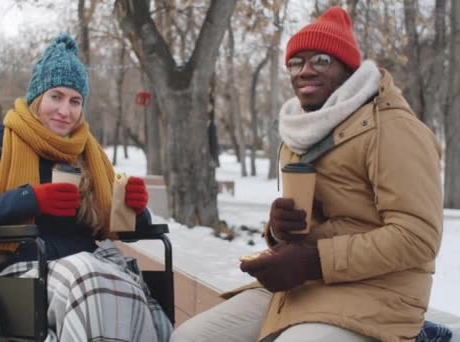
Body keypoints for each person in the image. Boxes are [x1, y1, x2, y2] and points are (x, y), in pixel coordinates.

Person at [170, 6, 443, 342]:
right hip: (306, 287)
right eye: (296, 63)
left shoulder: (393, 129)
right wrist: (279, 228)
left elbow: (418, 237)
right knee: (190, 337)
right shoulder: (300, 131)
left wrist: (315, 261)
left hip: (379, 293)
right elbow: (313, 225)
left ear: (348, 68)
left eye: (321, 60)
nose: (305, 71)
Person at [0, 33, 172, 342]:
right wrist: (29, 200)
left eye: (75, 101)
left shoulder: (89, 155)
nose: (64, 111)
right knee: (92, 281)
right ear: (37, 97)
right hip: (19, 274)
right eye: (56, 96)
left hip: (92, 266)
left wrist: (137, 210)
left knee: (132, 297)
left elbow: (116, 224)